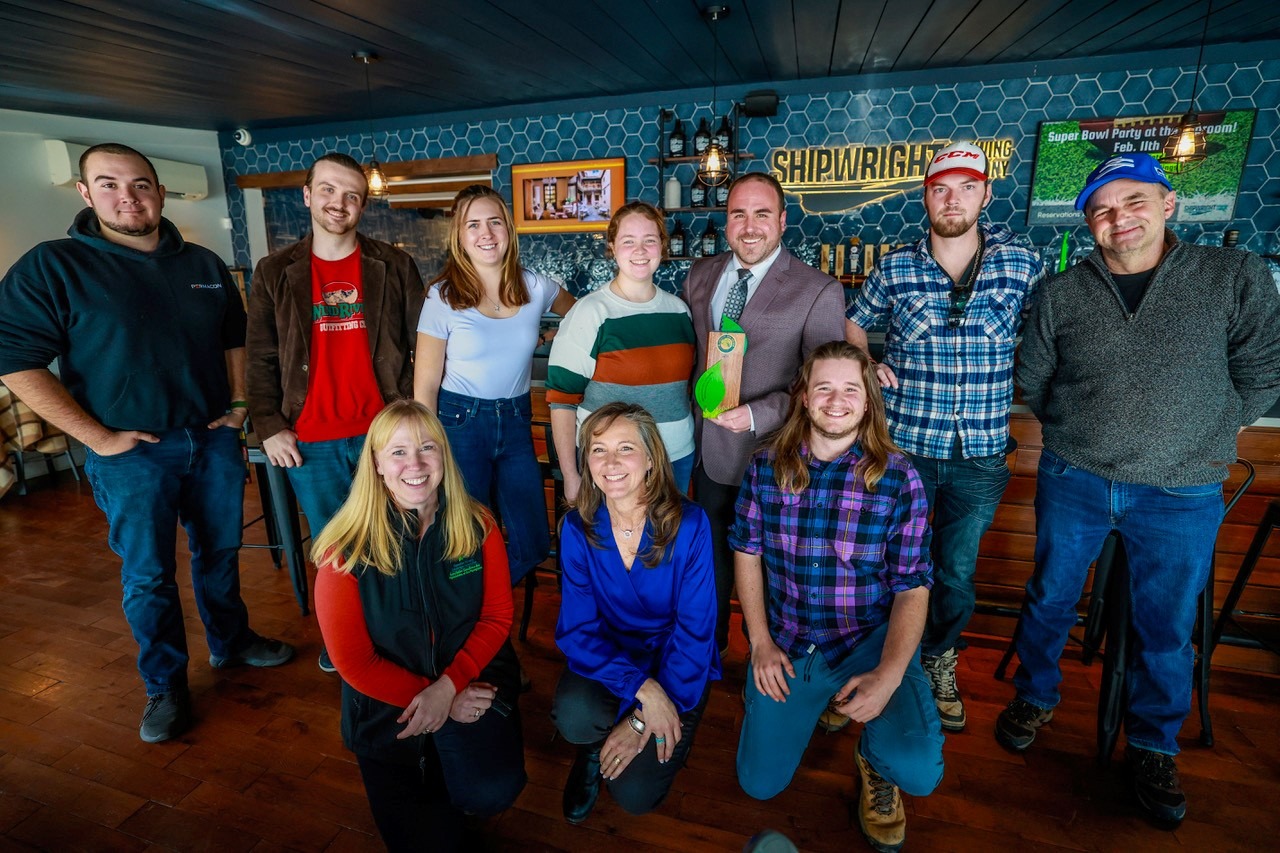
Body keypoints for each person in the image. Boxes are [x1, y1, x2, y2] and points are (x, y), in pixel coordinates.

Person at [1003, 153, 1280, 825]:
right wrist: (1082, 429)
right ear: (1090, 223)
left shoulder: (1230, 275)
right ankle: (1035, 695)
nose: (1117, 218)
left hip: (1181, 489)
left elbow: (1264, 371)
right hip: (1076, 475)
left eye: (1132, 201)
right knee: (1048, 597)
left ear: (1168, 203)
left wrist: (1198, 430)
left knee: (1165, 626)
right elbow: (1032, 380)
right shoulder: (1063, 292)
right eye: (1101, 208)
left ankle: (1154, 742)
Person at [0, 143, 294, 744]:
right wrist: (97, 438)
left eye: (140, 184)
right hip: (132, 454)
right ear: (85, 194)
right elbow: (15, 360)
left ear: (160, 192)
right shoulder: (54, 265)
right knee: (149, 575)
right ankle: (165, 684)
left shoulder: (205, 263)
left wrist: (239, 406)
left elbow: (233, 341)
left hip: (210, 440)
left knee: (219, 554)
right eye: (108, 184)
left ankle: (231, 643)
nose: (126, 197)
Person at [845, 141, 1044, 733]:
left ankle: (937, 660)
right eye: (939, 188)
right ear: (925, 196)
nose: (951, 199)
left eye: (965, 187)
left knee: (955, 570)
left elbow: (1051, 332)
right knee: (892, 562)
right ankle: (884, 662)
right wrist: (864, 365)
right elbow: (854, 321)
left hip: (981, 452)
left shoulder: (1022, 263)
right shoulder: (896, 266)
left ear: (985, 194)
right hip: (904, 447)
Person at [732, 341, 942, 853]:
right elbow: (747, 553)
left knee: (918, 772)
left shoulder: (899, 477)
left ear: (868, 401)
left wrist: (889, 677)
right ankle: (814, 700)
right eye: (823, 387)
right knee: (759, 785)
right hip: (792, 643)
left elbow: (912, 587)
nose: (836, 400)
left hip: (867, 641)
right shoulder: (764, 467)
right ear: (803, 397)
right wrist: (759, 641)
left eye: (850, 389)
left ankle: (873, 760)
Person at [313, 400, 525, 851]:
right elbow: (353, 662)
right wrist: (433, 699)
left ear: (444, 457)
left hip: (470, 686)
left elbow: (496, 617)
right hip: (388, 710)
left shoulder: (478, 524)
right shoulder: (343, 551)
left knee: (492, 792)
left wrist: (449, 688)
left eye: (428, 448)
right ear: (376, 464)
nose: (415, 464)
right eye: (398, 452)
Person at [246, 151, 425, 672]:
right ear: (307, 195)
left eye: (351, 195)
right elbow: (259, 356)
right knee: (334, 547)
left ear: (364, 204)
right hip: (311, 440)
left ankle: (396, 629)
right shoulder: (275, 271)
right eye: (327, 190)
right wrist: (270, 426)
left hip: (382, 433)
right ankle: (344, 638)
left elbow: (424, 343)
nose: (338, 203)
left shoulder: (394, 265)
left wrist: (410, 411)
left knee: (396, 535)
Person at [682, 172, 846, 651]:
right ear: (726, 220)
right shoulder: (701, 274)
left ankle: (769, 669)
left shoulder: (818, 289)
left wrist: (757, 414)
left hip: (776, 460)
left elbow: (820, 387)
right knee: (709, 576)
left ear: (782, 221)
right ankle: (702, 665)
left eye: (761, 214)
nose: (749, 226)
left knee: (775, 580)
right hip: (706, 456)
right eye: (738, 214)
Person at [553, 402, 720, 824]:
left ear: (650, 459)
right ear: (585, 460)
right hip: (611, 657)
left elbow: (696, 633)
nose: (610, 463)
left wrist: (644, 721)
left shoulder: (692, 525)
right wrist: (642, 690)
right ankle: (593, 751)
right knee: (574, 716)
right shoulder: (577, 528)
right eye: (597, 449)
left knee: (635, 796)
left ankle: (664, 726)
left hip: (676, 663)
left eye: (625, 448)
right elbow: (577, 631)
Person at [414, 184, 575, 585]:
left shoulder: (535, 286)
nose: (486, 233)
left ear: (508, 229)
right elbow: (426, 385)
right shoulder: (442, 296)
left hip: (516, 421)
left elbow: (580, 313)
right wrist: (427, 447)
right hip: (458, 423)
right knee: (466, 539)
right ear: (460, 237)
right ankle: (478, 617)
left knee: (534, 541)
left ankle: (491, 598)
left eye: (494, 222)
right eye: (473, 225)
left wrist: (547, 337)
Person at [547, 202, 697, 498]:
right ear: (613, 247)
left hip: (676, 458)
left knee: (668, 543)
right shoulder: (591, 312)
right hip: (612, 467)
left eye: (649, 241)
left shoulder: (680, 310)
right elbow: (562, 402)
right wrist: (570, 475)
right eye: (629, 241)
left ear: (662, 247)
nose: (640, 251)